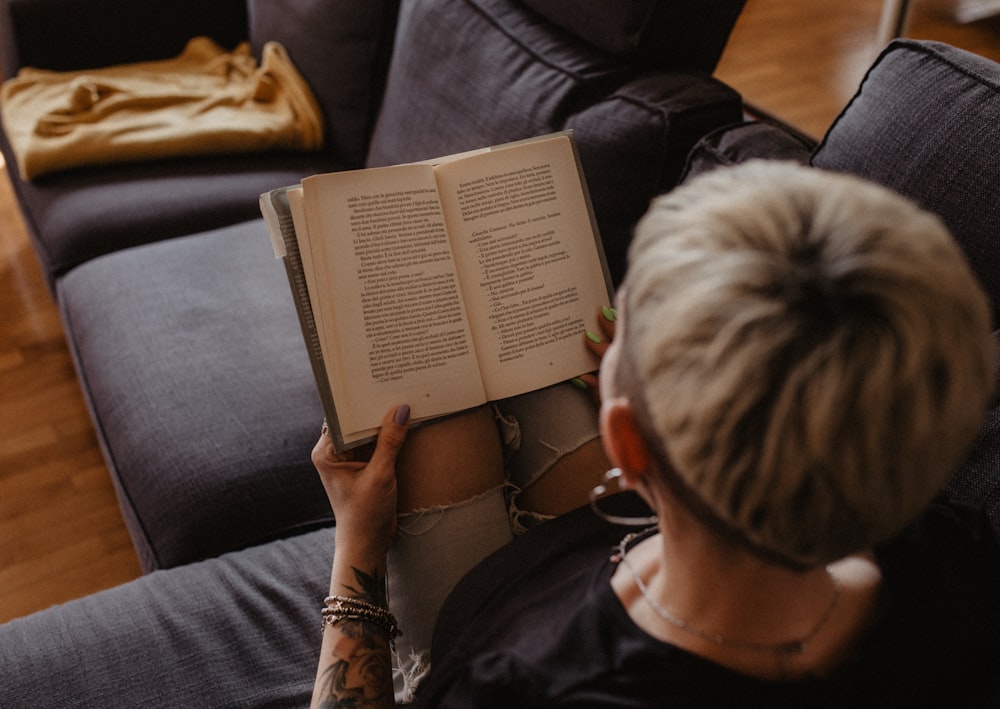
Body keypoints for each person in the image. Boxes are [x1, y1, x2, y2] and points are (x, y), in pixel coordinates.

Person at [308, 160, 1000, 707]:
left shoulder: (523, 687)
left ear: (629, 444)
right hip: (639, 539)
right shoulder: (963, 561)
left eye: (625, 342)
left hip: (493, 607)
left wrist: (356, 552)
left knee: (433, 409)